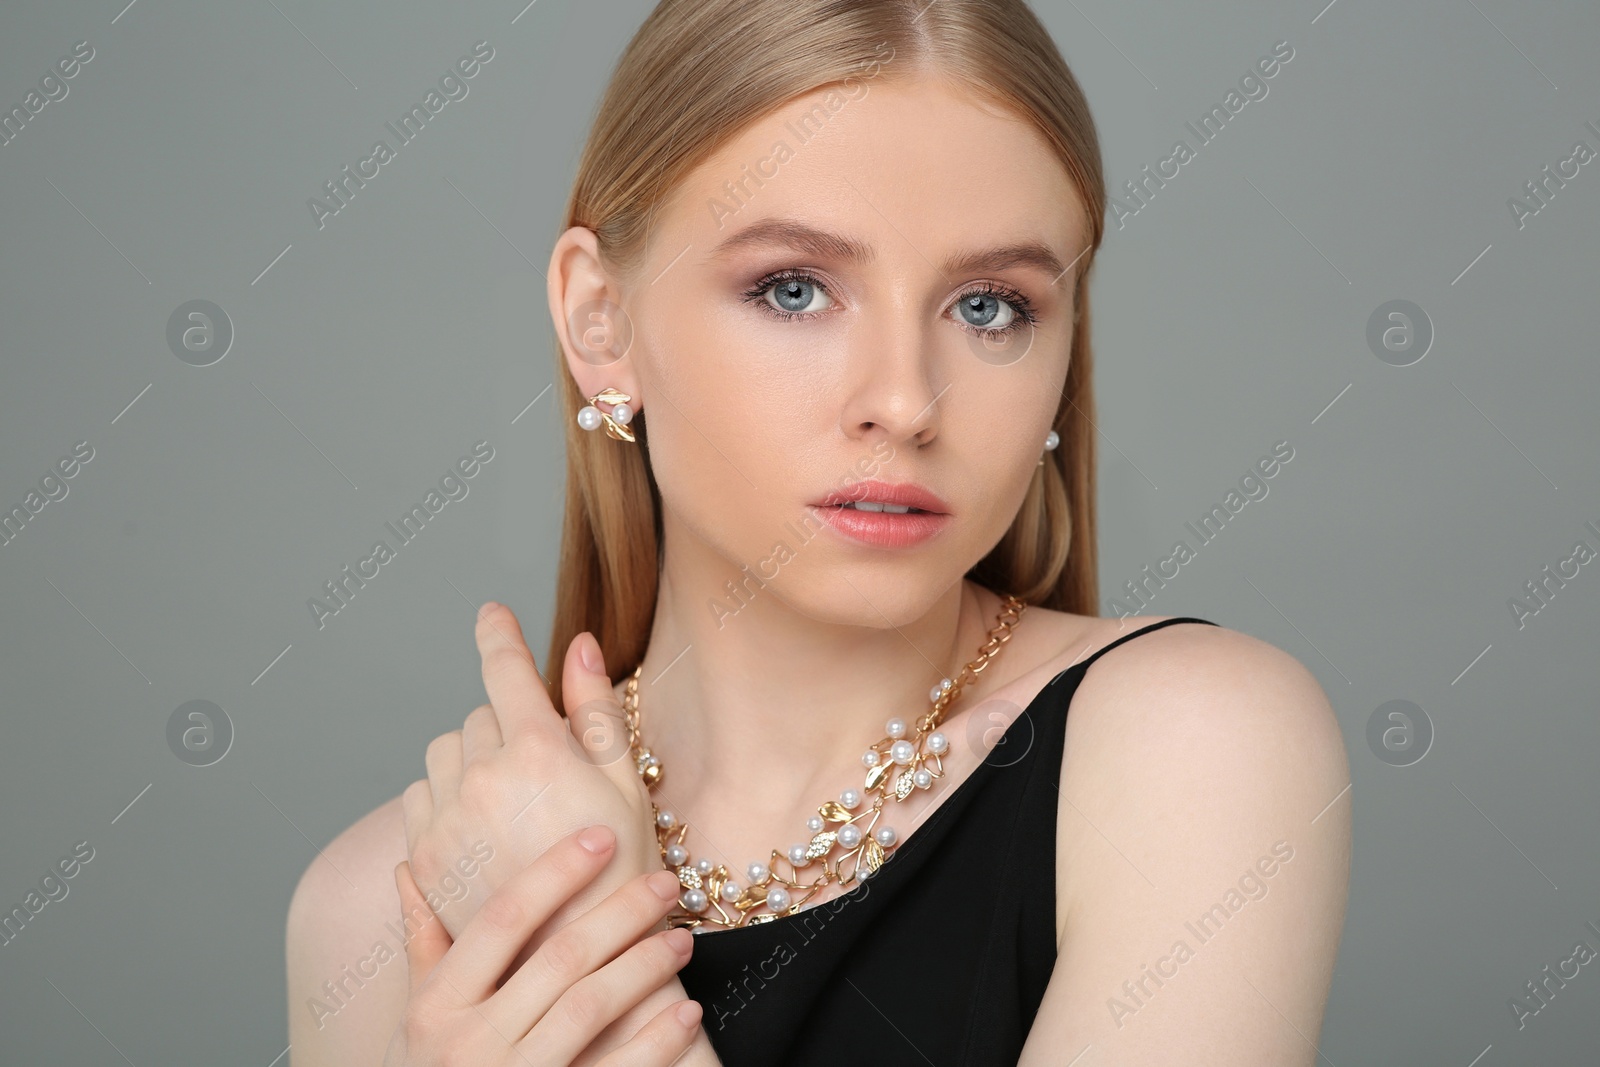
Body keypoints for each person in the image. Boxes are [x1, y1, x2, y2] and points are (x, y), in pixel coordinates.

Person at [285, 1, 1351, 1063]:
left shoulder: (1192, 747)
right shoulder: (381, 910)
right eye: (792, 289)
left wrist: (595, 994)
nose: (904, 399)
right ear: (599, 322)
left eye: (989, 307)